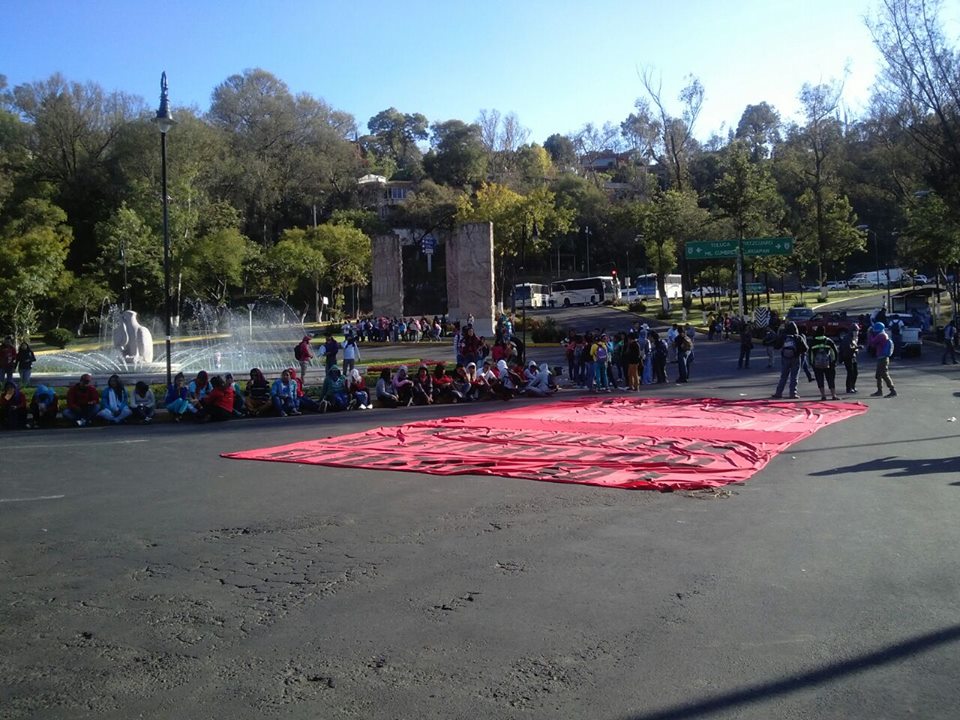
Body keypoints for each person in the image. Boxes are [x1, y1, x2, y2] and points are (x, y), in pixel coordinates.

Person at [771, 321, 808, 399]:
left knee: (784, 376)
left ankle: (778, 393)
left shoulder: (784, 337)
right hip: (796, 357)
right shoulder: (798, 337)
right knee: (794, 377)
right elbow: (805, 348)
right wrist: (799, 352)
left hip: (785, 358)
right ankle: (792, 393)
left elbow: (777, 346)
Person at [807, 325, 840, 400]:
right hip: (829, 363)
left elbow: (810, 354)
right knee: (830, 378)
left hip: (817, 364)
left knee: (820, 379)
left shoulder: (813, 342)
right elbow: (834, 352)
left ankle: (823, 395)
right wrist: (834, 362)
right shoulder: (828, 341)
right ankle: (833, 395)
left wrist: (812, 363)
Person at [868, 322, 897, 397]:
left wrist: (870, 334)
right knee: (878, 375)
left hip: (882, 358)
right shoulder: (884, 334)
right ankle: (879, 391)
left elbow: (872, 343)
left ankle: (892, 390)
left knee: (884, 374)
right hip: (882, 357)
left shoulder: (881, 336)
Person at [838, 324, 860, 394]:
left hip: (853, 356)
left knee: (855, 373)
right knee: (850, 372)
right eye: (855, 331)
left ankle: (853, 386)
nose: (857, 332)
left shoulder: (855, 338)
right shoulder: (847, 338)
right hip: (847, 357)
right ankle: (849, 388)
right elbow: (847, 349)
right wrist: (856, 348)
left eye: (857, 331)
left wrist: (856, 350)